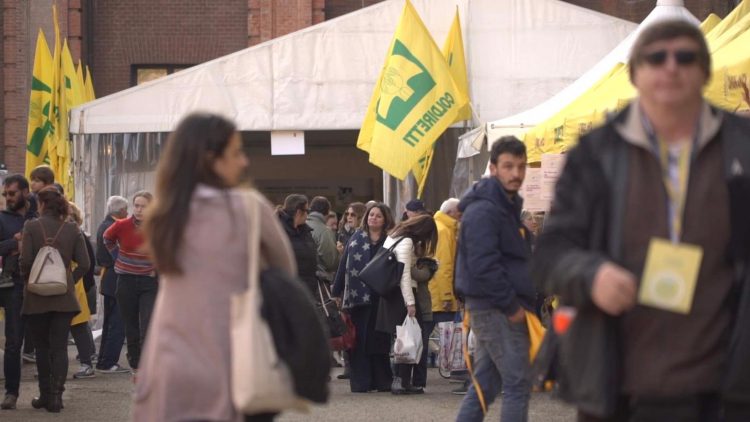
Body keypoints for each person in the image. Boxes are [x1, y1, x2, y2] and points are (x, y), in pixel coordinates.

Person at [532, 20, 750, 421]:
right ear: (635, 72)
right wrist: (591, 274)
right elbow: (551, 253)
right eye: (656, 58)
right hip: (620, 385)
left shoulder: (741, 146)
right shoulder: (596, 154)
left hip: (723, 388)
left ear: (703, 70)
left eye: (685, 57)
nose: (671, 67)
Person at [133, 112, 298, 421]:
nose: (244, 162)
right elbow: (285, 272)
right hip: (231, 352)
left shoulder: (164, 214)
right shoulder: (248, 207)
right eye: (236, 152)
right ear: (211, 158)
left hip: (169, 355)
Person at [455, 137, 535, 422]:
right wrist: (511, 305)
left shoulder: (503, 207)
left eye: (521, 166)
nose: (516, 173)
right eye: (508, 166)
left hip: (497, 305)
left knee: (485, 386)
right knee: (517, 382)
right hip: (495, 307)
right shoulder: (485, 209)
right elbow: (483, 265)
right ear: (493, 168)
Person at [20, 187, 90, 413]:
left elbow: (26, 261)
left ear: (40, 204)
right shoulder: (72, 229)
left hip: (36, 298)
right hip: (64, 299)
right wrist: (69, 280)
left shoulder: (31, 226)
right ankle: (57, 397)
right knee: (59, 348)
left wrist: (32, 281)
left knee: (41, 347)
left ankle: (43, 394)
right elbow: (86, 264)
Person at [332, 203, 395, 393]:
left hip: (382, 299)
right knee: (358, 340)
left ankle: (382, 381)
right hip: (358, 298)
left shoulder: (390, 241)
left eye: (378, 216)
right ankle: (361, 382)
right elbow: (343, 266)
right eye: (371, 215)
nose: (373, 218)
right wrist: (336, 291)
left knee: (379, 340)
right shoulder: (356, 238)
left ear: (385, 220)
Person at [376, 214, 438, 395]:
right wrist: (410, 303)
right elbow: (403, 275)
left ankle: (402, 380)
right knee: (408, 337)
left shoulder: (395, 235)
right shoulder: (407, 241)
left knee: (403, 338)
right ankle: (400, 381)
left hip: (392, 295)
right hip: (401, 296)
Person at [103, 191, 157, 375]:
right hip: (126, 280)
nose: (139, 210)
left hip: (149, 281)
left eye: (144, 206)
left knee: (148, 324)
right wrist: (117, 257)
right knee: (131, 326)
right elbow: (107, 238)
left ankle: (148, 364)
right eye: (137, 206)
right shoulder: (122, 225)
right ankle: (136, 365)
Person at [0, 175, 35, 410]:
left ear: (25, 192)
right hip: (6, 283)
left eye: (11, 193)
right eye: (5, 195)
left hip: (30, 286)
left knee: (16, 341)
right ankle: (10, 393)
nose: (7, 198)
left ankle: (13, 392)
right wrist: (14, 243)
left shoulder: (39, 216)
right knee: (12, 343)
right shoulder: (2, 218)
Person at [94, 196, 130, 374]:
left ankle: (103, 360)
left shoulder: (103, 224)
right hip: (116, 276)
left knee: (109, 322)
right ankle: (109, 362)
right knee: (117, 322)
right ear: (122, 211)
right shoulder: (115, 227)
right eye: (128, 209)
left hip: (108, 277)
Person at [66, 202, 98, 380]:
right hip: (72, 284)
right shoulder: (74, 232)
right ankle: (86, 363)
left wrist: (81, 284)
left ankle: (86, 363)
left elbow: (88, 263)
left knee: (77, 326)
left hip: (74, 285)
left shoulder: (75, 233)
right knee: (75, 326)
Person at [277, 194, 319, 295]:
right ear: (299, 212)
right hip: (288, 291)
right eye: (307, 211)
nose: (308, 215)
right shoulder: (279, 231)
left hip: (306, 289)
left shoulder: (305, 230)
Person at [306, 196, 338, 283]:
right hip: (319, 281)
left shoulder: (300, 225)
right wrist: (340, 254)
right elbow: (331, 262)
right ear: (327, 212)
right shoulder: (324, 231)